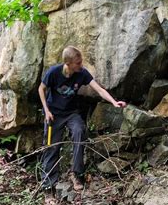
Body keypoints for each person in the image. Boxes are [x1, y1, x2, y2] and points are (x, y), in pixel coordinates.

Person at [38, 46, 126, 192]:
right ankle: (48, 188)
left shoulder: (82, 73)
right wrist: (46, 111)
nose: (81, 65)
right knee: (51, 147)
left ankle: (76, 174)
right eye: (78, 63)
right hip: (53, 115)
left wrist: (114, 102)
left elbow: (99, 89)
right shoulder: (53, 72)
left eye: (81, 62)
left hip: (72, 113)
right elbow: (41, 89)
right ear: (68, 63)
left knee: (80, 132)